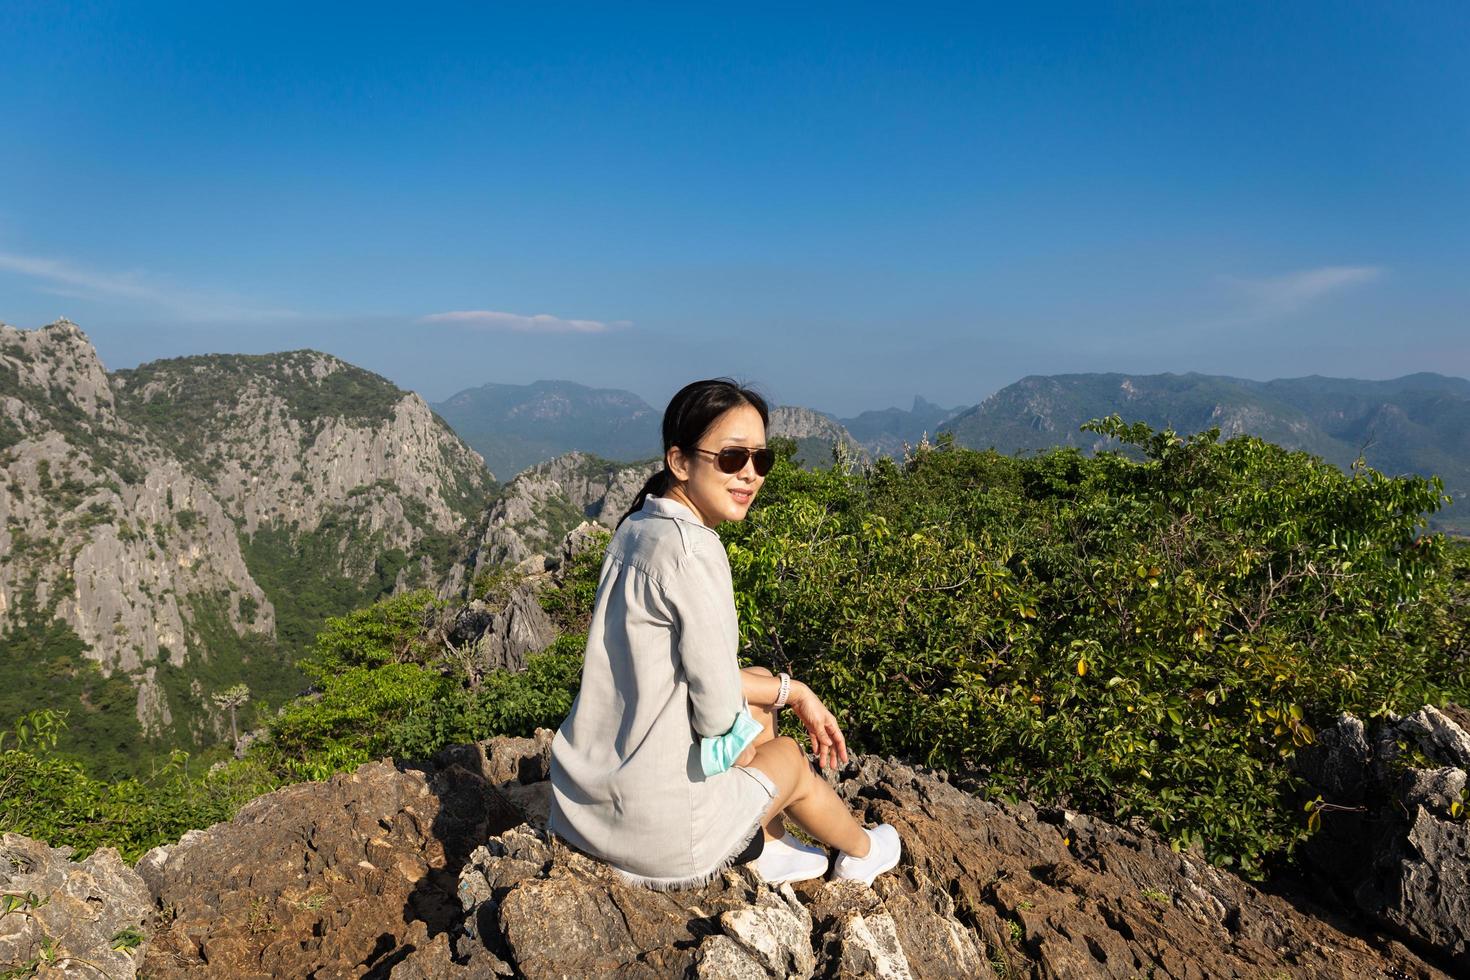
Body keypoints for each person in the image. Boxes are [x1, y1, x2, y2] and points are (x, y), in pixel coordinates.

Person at [548, 378, 902, 889]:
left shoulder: (637, 528)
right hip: (658, 836)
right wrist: (756, 761)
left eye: (762, 459)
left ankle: (770, 847)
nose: (751, 475)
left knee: (757, 683)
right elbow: (716, 715)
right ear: (680, 461)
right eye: (733, 458)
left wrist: (791, 691)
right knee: (789, 760)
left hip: (585, 809)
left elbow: (706, 672)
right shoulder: (694, 551)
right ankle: (864, 852)